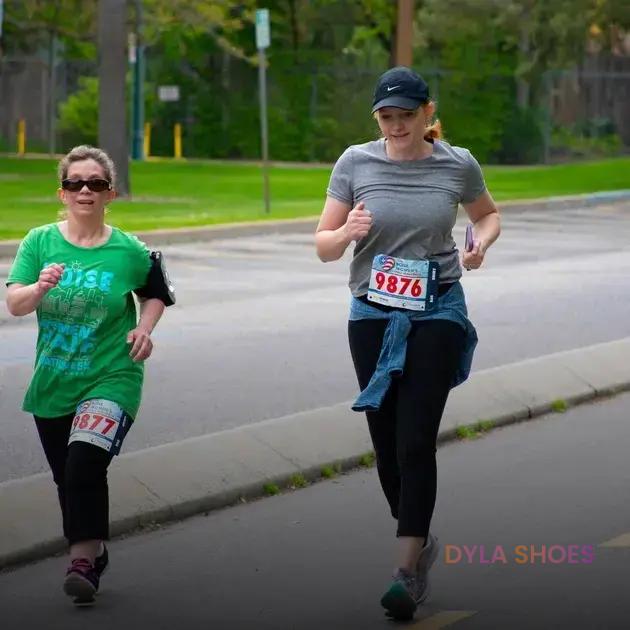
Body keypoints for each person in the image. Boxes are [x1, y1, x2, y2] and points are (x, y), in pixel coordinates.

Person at [315, 67, 500, 620]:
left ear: (428, 113)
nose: (396, 125)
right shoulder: (355, 162)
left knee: (416, 439)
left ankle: (404, 568)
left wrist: (477, 244)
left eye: (406, 115)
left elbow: (487, 215)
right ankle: (417, 539)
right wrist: (346, 233)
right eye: (386, 117)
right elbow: (323, 246)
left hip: (437, 305)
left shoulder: (456, 163)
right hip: (372, 310)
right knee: (386, 439)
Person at [5, 145, 175, 606]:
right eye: (76, 183)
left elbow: (156, 292)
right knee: (68, 478)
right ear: (62, 193)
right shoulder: (39, 242)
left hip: (112, 376)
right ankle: (94, 549)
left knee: (84, 462)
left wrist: (143, 327)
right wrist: (38, 287)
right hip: (55, 378)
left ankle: (80, 563)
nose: (86, 190)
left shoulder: (129, 249)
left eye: (96, 183)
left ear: (110, 193)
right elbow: (14, 303)